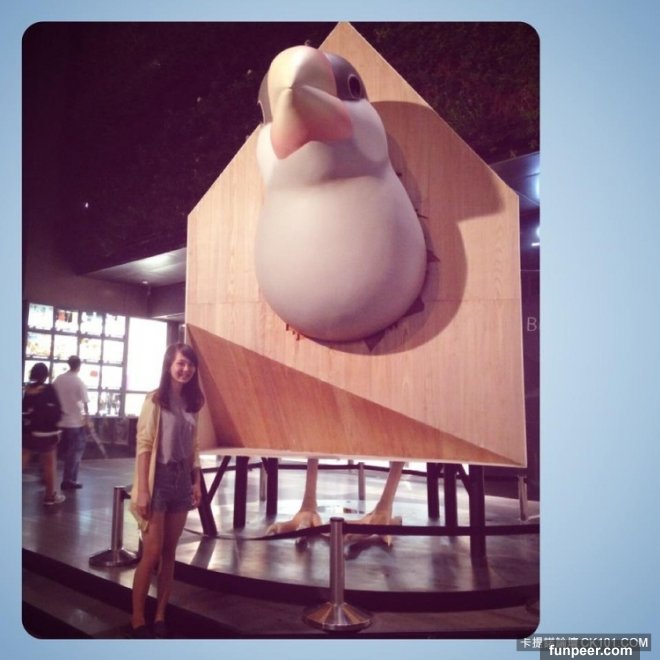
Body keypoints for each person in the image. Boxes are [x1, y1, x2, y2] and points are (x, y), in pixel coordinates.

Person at [129, 343, 205, 639]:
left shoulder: (193, 402)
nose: (185, 369)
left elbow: (193, 445)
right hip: (157, 479)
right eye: (180, 363)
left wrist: (196, 481)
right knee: (151, 553)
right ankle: (137, 618)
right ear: (169, 365)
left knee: (170, 553)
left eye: (190, 365)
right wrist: (143, 490)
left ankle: (160, 615)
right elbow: (144, 444)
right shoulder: (155, 399)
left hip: (181, 480)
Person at [22, 362, 65, 505]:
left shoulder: (28, 390)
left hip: (29, 432)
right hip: (47, 433)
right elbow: (57, 410)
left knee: (22, 461)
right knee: (49, 464)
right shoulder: (49, 389)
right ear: (46, 375)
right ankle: (50, 496)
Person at [53, 355, 90, 490]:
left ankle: (46, 476)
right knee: (75, 453)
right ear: (79, 366)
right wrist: (87, 420)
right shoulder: (78, 382)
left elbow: (53, 398)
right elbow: (85, 404)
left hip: (60, 423)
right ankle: (69, 480)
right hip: (75, 423)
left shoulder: (58, 379)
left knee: (55, 452)